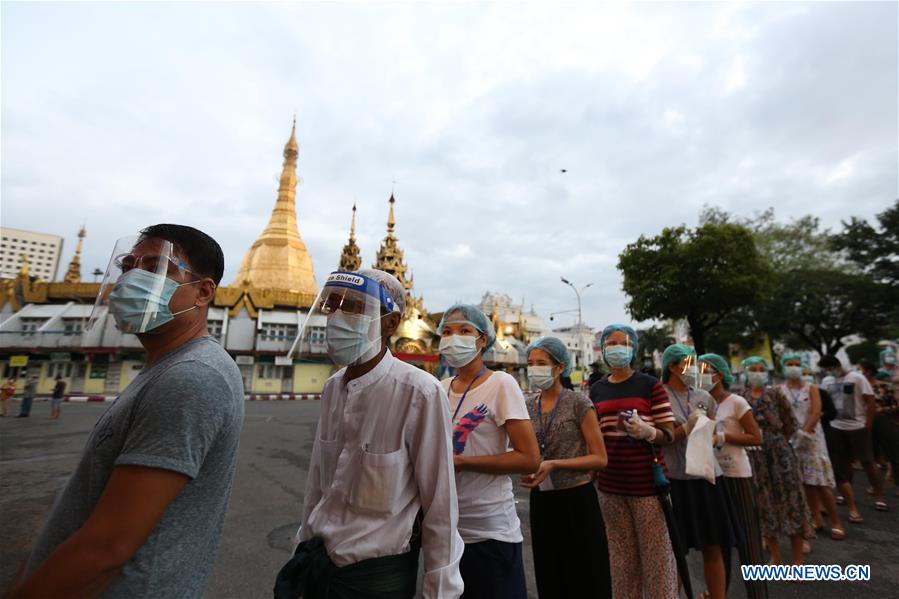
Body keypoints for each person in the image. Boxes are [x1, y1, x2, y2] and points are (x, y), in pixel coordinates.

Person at [11, 224, 244, 598]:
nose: (133, 277)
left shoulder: (192, 376)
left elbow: (107, 547)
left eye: (155, 267)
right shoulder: (165, 367)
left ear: (202, 292)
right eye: (127, 266)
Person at [279, 270, 463, 599]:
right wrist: (302, 546)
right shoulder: (333, 388)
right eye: (333, 305)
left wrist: (439, 590)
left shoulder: (420, 392)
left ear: (390, 324)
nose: (336, 317)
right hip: (318, 563)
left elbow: (440, 505)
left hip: (376, 575)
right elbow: (318, 484)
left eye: (353, 307)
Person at [437, 303, 539, 599]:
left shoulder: (501, 384)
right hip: (447, 533)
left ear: (482, 340)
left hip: (490, 533)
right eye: (447, 331)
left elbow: (529, 457)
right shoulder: (439, 389)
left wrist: (464, 463)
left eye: (464, 331)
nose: (454, 337)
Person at [589, 324, 678, 599]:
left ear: (633, 349)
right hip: (610, 485)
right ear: (603, 350)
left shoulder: (649, 386)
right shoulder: (597, 389)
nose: (617, 348)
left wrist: (649, 431)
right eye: (611, 343)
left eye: (623, 343)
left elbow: (669, 433)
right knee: (621, 559)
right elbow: (595, 436)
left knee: (657, 560)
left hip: (648, 486)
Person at [520, 336, 610, 599]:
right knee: (550, 575)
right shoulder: (527, 406)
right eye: (530, 363)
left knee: (586, 577)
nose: (534, 368)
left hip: (577, 500)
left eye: (541, 363)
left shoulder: (578, 403)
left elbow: (599, 458)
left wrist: (555, 464)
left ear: (559, 367)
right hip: (543, 501)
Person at [660, 344, 734, 599]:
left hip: (706, 477)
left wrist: (712, 437)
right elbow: (661, 437)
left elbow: (713, 431)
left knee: (713, 545)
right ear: (671, 366)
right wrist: (684, 429)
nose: (693, 368)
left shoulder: (704, 397)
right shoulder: (660, 396)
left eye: (695, 363)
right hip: (675, 480)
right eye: (687, 363)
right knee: (676, 551)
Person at [698, 353, 766, 599]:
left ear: (720, 373)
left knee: (749, 542)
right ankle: (718, 592)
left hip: (737, 476)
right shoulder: (699, 403)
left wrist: (725, 437)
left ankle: (758, 593)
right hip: (711, 477)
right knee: (719, 541)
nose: (703, 376)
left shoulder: (736, 402)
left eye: (708, 370)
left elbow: (755, 437)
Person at [741, 356, 811, 565]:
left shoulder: (776, 394)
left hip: (780, 453)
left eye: (760, 369)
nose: (756, 373)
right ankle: (776, 557)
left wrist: (777, 442)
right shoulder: (742, 397)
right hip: (755, 456)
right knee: (764, 504)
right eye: (752, 369)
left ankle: (797, 561)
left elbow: (790, 424)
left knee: (792, 501)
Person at [779, 354, 845, 539]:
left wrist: (804, 433)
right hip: (790, 441)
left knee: (820, 482)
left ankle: (836, 521)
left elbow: (816, 411)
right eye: (789, 364)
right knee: (803, 484)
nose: (793, 367)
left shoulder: (811, 388)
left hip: (812, 441)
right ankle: (815, 518)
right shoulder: (779, 390)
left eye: (797, 364)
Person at [819, 354, 889, 514]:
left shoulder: (857, 378)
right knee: (843, 462)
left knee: (867, 462)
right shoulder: (827, 381)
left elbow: (870, 401)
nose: (829, 372)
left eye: (831, 368)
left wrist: (868, 424)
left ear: (838, 365)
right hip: (836, 426)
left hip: (857, 426)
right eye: (826, 370)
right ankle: (846, 492)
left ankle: (879, 496)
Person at [860, 360, 899, 499]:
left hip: (884, 420)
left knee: (893, 453)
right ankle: (876, 485)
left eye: (861, 370)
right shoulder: (860, 388)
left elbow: (895, 405)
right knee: (871, 456)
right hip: (866, 422)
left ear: (868, 372)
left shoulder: (883, 387)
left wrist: (880, 410)